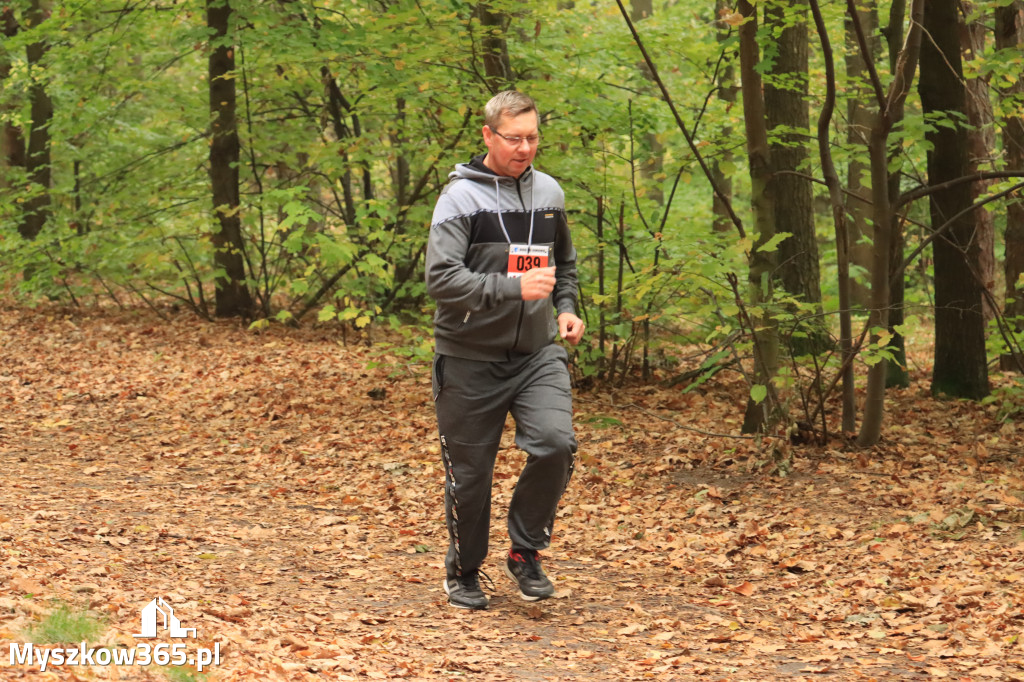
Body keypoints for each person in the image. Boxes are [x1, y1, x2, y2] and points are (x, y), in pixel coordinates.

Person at [425, 90, 585, 610]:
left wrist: (565, 306)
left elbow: (564, 265)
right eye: (514, 138)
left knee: (556, 443)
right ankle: (465, 570)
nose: (524, 148)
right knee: (470, 479)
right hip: (470, 356)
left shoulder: (550, 194)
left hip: (537, 352)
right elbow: (442, 279)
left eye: (533, 137)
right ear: (489, 135)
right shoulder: (459, 200)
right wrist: (513, 289)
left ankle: (525, 550)